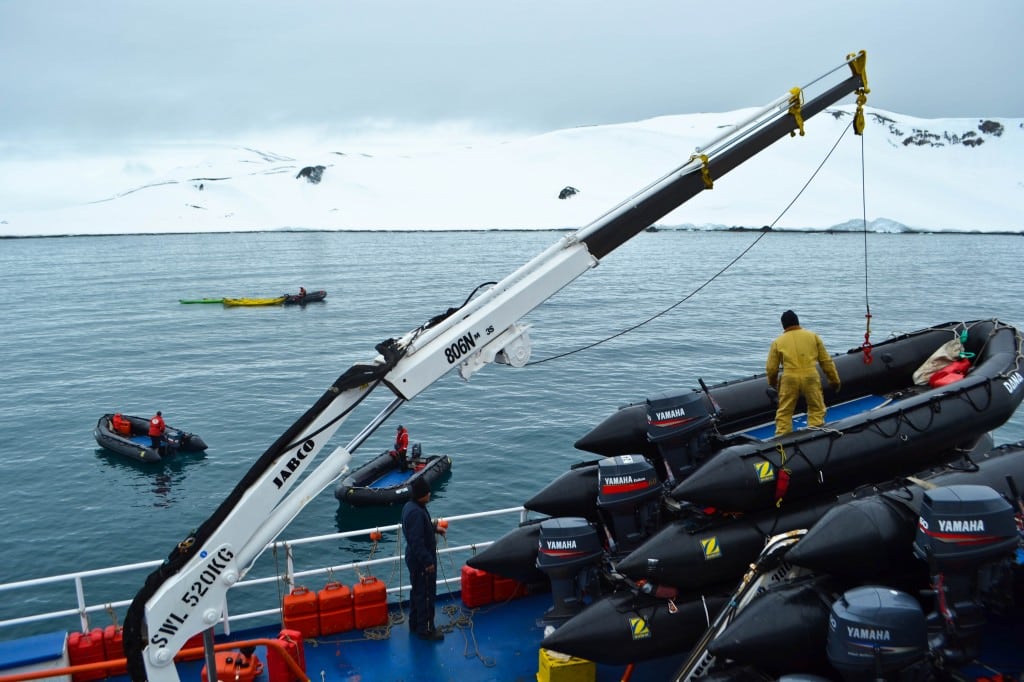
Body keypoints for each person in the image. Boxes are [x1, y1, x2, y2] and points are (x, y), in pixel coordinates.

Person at [766, 310, 841, 437]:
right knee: (816, 409)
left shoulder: (778, 342)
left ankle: (782, 440)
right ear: (797, 321)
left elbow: (771, 369)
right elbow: (826, 362)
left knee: (784, 413)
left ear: (783, 325)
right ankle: (816, 436)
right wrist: (834, 381)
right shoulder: (813, 336)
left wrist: (773, 383)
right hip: (810, 376)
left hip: (789, 379)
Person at [401, 476, 445, 641]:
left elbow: (420, 529)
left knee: (418, 592)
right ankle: (426, 629)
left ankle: (415, 623)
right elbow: (416, 541)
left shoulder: (412, 506)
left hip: (415, 559)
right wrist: (427, 562)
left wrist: (434, 528)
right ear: (422, 494)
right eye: (427, 492)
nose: (429, 494)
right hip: (421, 562)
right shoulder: (416, 513)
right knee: (426, 594)